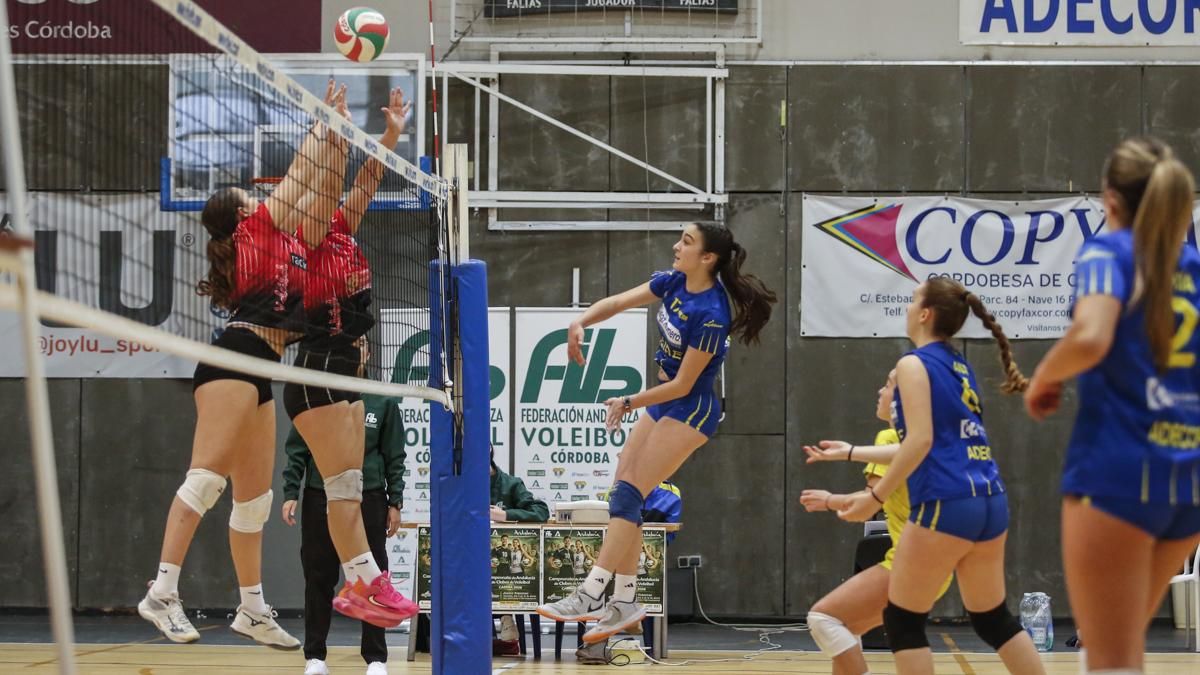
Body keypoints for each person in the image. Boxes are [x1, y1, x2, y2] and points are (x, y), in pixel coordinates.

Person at [135, 81, 356, 649]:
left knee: (251, 501)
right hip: (233, 359)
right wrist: (321, 123)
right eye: (249, 199)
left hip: (261, 365)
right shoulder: (256, 230)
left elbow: (319, 190)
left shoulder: (274, 236)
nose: (259, 201)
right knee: (205, 479)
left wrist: (339, 139)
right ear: (240, 218)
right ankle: (162, 591)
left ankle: (252, 609)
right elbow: (300, 179)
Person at [536, 222, 777, 644]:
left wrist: (629, 401)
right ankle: (626, 601)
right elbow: (617, 302)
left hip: (691, 408)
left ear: (708, 258)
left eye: (686, 241)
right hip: (664, 401)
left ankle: (592, 593)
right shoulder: (674, 282)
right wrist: (581, 322)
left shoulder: (712, 314)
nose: (676, 245)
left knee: (629, 493)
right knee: (623, 496)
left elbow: (684, 385)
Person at [1025, 137, 1200, 675]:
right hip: (1187, 480)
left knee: (1109, 661)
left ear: (1110, 200)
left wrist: (1044, 378)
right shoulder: (1190, 262)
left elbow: (1091, 335)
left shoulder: (1109, 250)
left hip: (1118, 473)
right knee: (1119, 656)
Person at [832, 277, 1045, 675]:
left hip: (948, 499)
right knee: (992, 618)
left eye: (914, 300)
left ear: (926, 314)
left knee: (902, 619)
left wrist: (874, 498)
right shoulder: (958, 364)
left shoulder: (913, 363)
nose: (909, 307)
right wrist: (850, 452)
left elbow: (920, 441)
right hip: (989, 496)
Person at [281, 86, 417, 628]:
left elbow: (366, 181)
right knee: (343, 487)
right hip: (319, 371)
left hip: (344, 374)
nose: (331, 200)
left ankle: (363, 584)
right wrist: (332, 130)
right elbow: (329, 183)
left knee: (349, 487)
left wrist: (389, 136)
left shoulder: (338, 233)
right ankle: (365, 583)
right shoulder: (306, 236)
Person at [801, 369, 952, 675]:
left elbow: (867, 502)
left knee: (824, 619)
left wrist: (831, 499)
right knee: (847, 627)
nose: (879, 392)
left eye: (886, 386)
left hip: (912, 560)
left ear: (902, 400)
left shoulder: (892, 437)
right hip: (938, 562)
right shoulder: (938, 438)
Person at [281, 384, 406, 675]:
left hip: (368, 497)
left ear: (366, 352)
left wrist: (395, 501)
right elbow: (298, 447)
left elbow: (394, 454)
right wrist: (290, 491)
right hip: (319, 494)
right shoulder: (315, 397)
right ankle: (315, 657)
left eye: (361, 346)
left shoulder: (382, 401)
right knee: (318, 576)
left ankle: (376, 659)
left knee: (372, 576)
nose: (357, 351)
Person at [490, 450, 549, 656]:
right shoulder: (462, 481)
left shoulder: (511, 484)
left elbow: (541, 511)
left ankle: (506, 617)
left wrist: (505, 515)